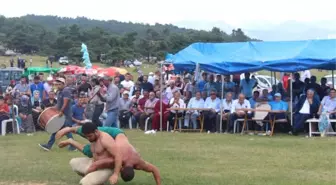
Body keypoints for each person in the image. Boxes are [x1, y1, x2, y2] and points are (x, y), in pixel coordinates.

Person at [56, 123, 161, 185]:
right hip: (116, 133)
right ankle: (69, 129)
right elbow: (97, 164)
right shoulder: (122, 159)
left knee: (93, 151)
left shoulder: (139, 162)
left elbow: (154, 169)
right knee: (91, 134)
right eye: (120, 171)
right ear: (122, 168)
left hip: (116, 143)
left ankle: (71, 139)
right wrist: (115, 174)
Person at [56, 123, 123, 185]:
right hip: (94, 164)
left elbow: (118, 156)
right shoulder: (93, 138)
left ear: (96, 131)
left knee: (84, 183)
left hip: (106, 168)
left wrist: (116, 174)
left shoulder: (105, 139)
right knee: (73, 162)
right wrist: (70, 140)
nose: (88, 138)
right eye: (86, 136)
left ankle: (93, 179)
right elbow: (76, 129)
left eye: (89, 136)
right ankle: (95, 179)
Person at [38, 77, 76, 151]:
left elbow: (65, 102)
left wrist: (61, 111)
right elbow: (58, 105)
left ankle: (49, 145)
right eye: (57, 84)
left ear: (63, 84)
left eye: (59, 84)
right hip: (61, 114)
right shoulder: (59, 92)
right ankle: (49, 145)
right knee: (62, 130)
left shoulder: (66, 91)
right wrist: (51, 108)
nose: (58, 86)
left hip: (66, 114)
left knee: (65, 130)